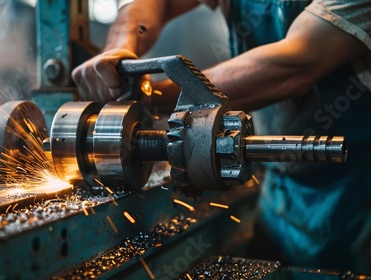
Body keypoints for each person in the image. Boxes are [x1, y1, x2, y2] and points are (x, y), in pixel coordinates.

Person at [72, 0, 371, 274]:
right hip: (281, 191)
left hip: (356, 195)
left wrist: (152, 95)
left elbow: (297, 64)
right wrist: (120, 51)